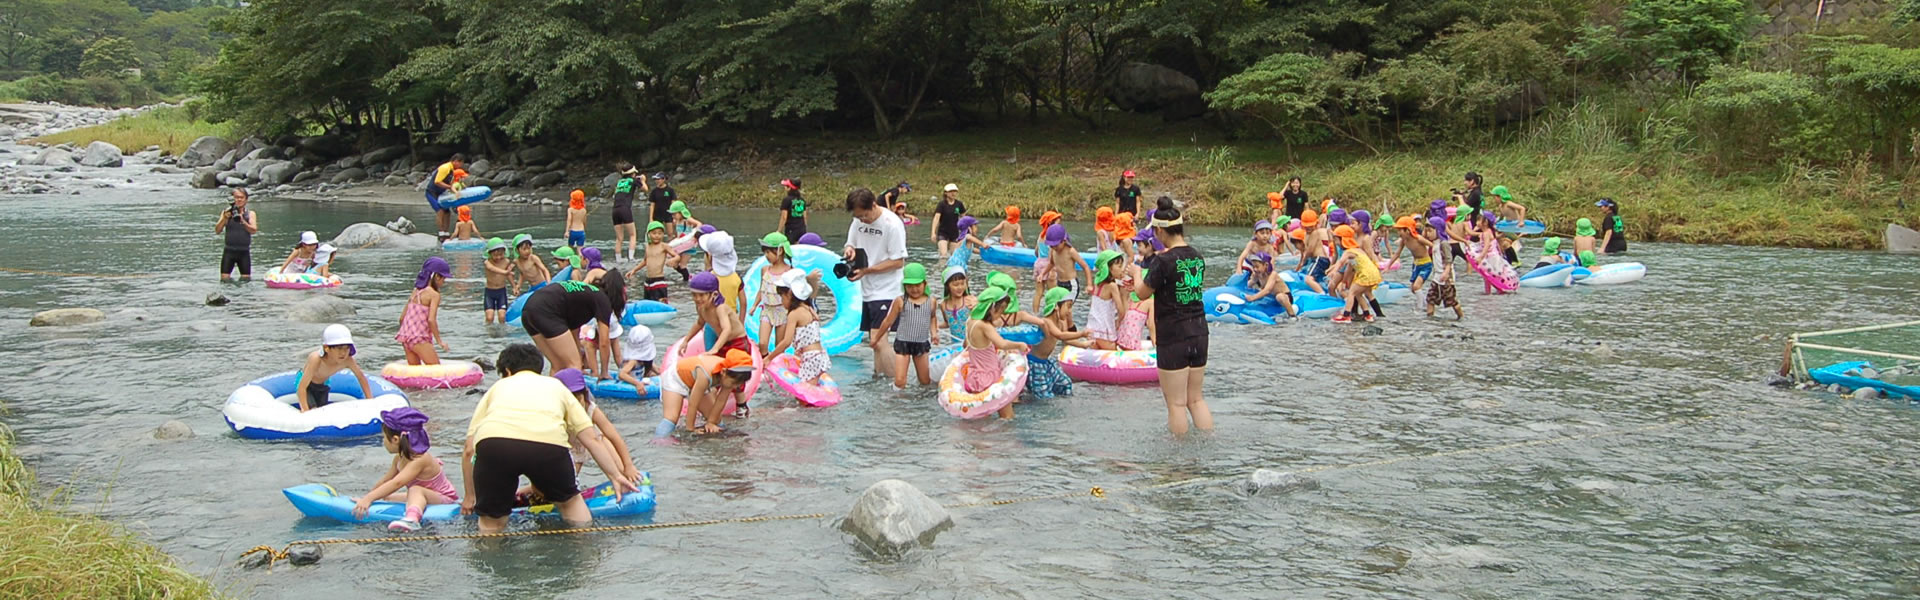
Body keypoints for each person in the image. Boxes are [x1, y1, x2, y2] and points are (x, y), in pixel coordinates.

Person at [461, 344, 639, 533]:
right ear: (539, 368)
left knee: (491, 523)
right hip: (547, 447)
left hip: (495, 446)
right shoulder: (556, 386)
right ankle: (585, 553)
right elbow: (592, 439)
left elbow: (469, 449)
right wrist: (615, 476)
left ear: (507, 371)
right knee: (570, 504)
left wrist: (470, 497)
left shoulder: (496, 388)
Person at [1135, 196, 1211, 436]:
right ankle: (1208, 445)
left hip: (1173, 335)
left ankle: (1178, 466)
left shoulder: (1162, 261)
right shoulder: (1197, 256)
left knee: (1176, 403)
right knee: (1195, 400)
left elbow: (1142, 293)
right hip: (1199, 331)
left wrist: (1136, 272)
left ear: (1159, 231)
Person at [350, 407, 459, 532]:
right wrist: (366, 498)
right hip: (423, 496)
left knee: (415, 489)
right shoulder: (399, 459)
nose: (383, 442)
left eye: (384, 438)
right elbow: (386, 481)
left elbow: (397, 483)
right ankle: (413, 509)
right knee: (387, 497)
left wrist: (369, 499)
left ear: (395, 440)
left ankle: (412, 520)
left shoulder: (420, 460)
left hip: (444, 499)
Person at [843, 187, 909, 380]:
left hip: (888, 290)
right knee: (875, 344)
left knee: (878, 340)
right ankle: (879, 379)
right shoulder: (857, 220)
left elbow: (898, 261)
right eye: (858, 217)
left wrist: (868, 270)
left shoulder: (892, 224)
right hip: (868, 289)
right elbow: (850, 243)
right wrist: (849, 250)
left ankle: (897, 384)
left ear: (873, 205)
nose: (862, 220)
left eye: (865, 216)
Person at [547, 369, 641, 492]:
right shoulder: (554, 413)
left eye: (578, 398)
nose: (574, 404)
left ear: (584, 394)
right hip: (571, 448)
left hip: (595, 439)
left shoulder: (590, 408)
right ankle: (529, 491)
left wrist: (629, 466)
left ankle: (626, 480)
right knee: (562, 484)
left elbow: (614, 436)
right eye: (570, 399)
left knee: (621, 470)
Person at [521, 271, 625, 376]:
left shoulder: (585, 294)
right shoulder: (602, 300)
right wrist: (604, 373)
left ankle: (552, 390)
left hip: (528, 310)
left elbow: (574, 334)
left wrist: (581, 359)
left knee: (558, 365)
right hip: (546, 311)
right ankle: (573, 391)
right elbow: (604, 342)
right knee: (574, 365)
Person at [962, 286, 1031, 419]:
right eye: (1001, 311)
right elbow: (1002, 343)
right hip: (990, 376)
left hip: (976, 375)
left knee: (982, 416)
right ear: (992, 308)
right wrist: (1019, 345)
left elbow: (966, 345)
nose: (1001, 314)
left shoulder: (971, 321)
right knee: (1007, 417)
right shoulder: (985, 326)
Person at [656, 348, 754, 436]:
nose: (735, 386)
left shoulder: (731, 376)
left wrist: (711, 422)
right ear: (723, 372)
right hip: (676, 379)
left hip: (697, 382)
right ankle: (660, 442)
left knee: (718, 422)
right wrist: (690, 429)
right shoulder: (705, 374)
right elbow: (693, 404)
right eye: (734, 383)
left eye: (739, 384)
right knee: (671, 418)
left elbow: (720, 401)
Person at [767, 269, 832, 390]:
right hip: (818, 355)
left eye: (782, 296)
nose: (781, 301)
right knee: (807, 393)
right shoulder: (809, 308)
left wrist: (769, 358)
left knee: (805, 394)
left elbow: (786, 342)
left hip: (811, 359)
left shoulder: (794, 314)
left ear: (790, 293)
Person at [1024, 287, 1090, 399]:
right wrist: (1081, 334)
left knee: (1065, 384)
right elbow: (1060, 335)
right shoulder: (1046, 322)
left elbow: (1066, 339)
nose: (1070, 311)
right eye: (1068, 306)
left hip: (1047, 362)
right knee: (1043, 396)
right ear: (1056, 306)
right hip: (1035, 364)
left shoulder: (1060, 323)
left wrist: (1082, 345)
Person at [879, 263, 938, 387]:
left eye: (917, 285)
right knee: (900, 381)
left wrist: (934, 333)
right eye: (909, 286)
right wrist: (876, 338)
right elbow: (888, 321)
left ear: (925, 284)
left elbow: (932, 317)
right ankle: (898, 402)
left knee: (925, 381)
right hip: (903, 343)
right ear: (904, 286)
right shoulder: (900, 301)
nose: (914, 289)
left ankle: (920, 403)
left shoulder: (931, 301)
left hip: (921, 343)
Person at [679, 272, 750, 361]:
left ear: (714, 294)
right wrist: (686, 341)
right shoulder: (701, 308)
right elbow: (699, 324)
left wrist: (715, 348)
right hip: (724, 343)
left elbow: (727, 329)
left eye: (701, 295)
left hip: (738, 342)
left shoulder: (720, 308)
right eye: (694, 295)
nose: (697, 299)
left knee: (736, 369)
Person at [395, 257, 451, 364]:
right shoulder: (434, 295)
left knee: (416, 373)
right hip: (420, 339)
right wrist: (439, 341)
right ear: (437, 276)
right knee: (436, 371)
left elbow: (402, 318)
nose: (443, 282)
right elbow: (431, 320)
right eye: (443, 278)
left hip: (406, 338)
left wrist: (408, 333)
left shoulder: (415, 292)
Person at [1328, 225, 1381, 323]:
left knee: (1351, 293)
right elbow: (1349, 266)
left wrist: (1334, 271)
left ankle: (1346, 316)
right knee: (1359, 294)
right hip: (1374, 273)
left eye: (1336, 240)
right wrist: (1339, 275)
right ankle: (1367, 315)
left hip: (1366, 275)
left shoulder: (1348, 252)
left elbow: (1341, 262)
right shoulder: (1357, 250)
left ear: (1343, 240)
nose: (1335, 243)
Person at [754, 233, 796, 351]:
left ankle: (776, 366)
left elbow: (794, 295)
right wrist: (754, 306)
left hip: (782, 311)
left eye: (768, 252)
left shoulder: (790, 272)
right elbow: (762, 289)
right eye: (765, 252)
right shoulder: (765, 270)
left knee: (779, 345)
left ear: (780, 251)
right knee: (762, 343)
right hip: (767, 310)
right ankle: (764, 362)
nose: (766, 256)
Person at [1037, 224, 1092, 312]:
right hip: (1060, 283)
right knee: (1058, 309)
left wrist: (1089, 285)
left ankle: (1066, 325)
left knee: (1065, 310)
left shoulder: (1070, 251)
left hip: (1071, 284)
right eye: (1051, 246)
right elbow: (1051, 263)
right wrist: (1042, 273)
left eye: (1055, 245)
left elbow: (1085, 267)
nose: (1054, 248)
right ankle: (1062, 325)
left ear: (1063, 241)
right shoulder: (1053, 251)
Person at [1086, 250, 1130, 349]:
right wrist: (1118, 323)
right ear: (1109, 268)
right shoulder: (1112, 286)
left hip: (1091, 328)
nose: (1121, 270)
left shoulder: (1097, 284)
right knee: (1115, 358)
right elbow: (1121, 311)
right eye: (1119, 267)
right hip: (1104, 331)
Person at [1392, 216, 1436, 307]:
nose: (1398, 233)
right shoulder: (1404, 241)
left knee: (1416, 287)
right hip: (1416, 264)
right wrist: (1388, 266)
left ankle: (1419, 309)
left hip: (1426, 264)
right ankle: (1424, 303)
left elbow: (1433, 246)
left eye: (1400, 230)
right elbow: (1397, 254)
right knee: (1413, 288)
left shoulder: (1418, 238)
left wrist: (1439, 260)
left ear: (1407, 230)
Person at [215, 188, 258, 281]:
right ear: (233, 198)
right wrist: (224, 219)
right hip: (229, 251)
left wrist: (243, 222)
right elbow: (217, 230)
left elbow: (254, 230)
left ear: (246, 199)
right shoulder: (226, 212)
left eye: (241, 197)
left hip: (244, 252)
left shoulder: (250, 214)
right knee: (224, 280)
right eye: (236, 197)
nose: (239, 200)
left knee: (246, 281)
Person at [626, 222, 677, 300]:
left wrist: (673, 259)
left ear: (663, 234)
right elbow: (645, 261)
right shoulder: (648, 247)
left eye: (660, 233)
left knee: (660, 304)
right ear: (649, 234)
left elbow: (677, 256)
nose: (657, 236)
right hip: (648, 281)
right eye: (654, 233)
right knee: (648, 303)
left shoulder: (664, 246)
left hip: (659, 280)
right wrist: (634, 270)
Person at [697, 226, 743, 314]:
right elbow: (743, 303)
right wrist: (740, 322)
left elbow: (701, 304)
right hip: (731, 316)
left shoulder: (707, 279)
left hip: (712, 319)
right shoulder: (736, 278)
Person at [1425, 216, 1463, 320]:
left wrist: (1446, 272)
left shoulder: (1444, 243)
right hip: (1437, 276)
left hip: (1446, 278)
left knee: (1451, 300)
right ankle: (1429, 317)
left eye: (1430, 231)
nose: (1428, 234)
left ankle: (1461, 316)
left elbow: (1448, 259)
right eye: (1427, 231)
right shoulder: (1434, 243)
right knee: (1430, 298)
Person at [1240, 254, 1297, 318]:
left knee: (1279, 296)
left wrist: (1252, 298)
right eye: (1253, 267)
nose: (1255, 269)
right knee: (1258, 291)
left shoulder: (1273, 274)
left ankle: (1292, 315)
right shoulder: (1257, 274)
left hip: (1284, 296)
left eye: (1257, 267)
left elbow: (1267, 290)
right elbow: (1249, 284)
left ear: (1266, 265)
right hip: (1270, 297)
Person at [426, 154, 465, 241]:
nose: (461, 165)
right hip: (432, 192)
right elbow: (437, 181)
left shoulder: (452, 170)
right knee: (440, 211)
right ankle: (441, 233)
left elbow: (452, 184)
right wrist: (449, 187)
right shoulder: (445, 168)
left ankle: (446, 232)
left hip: (441, 193)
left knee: (447, 212)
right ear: (455, 161)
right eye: (461, 163)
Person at [610, 164, 642, 261]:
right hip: (625, 209)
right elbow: (645, 189)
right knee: (632, 234)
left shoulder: (620, 182)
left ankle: (618, 258)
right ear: (632, 173)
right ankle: (631, 257)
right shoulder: (634, 180)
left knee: (619, 237)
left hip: (615, 210)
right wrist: (643, 180)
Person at [616, 320, 658, 389]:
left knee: (652, 374)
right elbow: (622, 374)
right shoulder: (633, 361)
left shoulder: (645, 359)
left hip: (638, 379)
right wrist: (637, 384)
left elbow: (658, 371)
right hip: (627, 385)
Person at [937, 266, 974, 343]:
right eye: (956, 285)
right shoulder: (943, 305)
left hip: (972, 343)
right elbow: (948, 323)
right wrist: (935, 326)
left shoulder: (969, 300)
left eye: (962, 283)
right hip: (955, 345)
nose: (960, 287)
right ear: (947, 286)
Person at [931, 183, 967, 259]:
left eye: (954, 191)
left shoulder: (959, 204)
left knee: (954, 256)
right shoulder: (942, 204)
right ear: (946, 193)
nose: (953, 193)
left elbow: (964, 218)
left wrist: (965, 231)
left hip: (954, 233)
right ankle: (941, 269)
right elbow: (936, 218)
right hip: (943, 232)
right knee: (944, 255)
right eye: (951, 191)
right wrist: (933, 233)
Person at [483, 238, 513, 324]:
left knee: (502, 316)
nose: (498, 257)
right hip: (489, 292)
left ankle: (502, 335)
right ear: (489, 254)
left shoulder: (506, 261)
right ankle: (489, 334)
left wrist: (514, 286)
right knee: (489, 317)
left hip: (501, 291)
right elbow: (492, 269)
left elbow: (509, 276)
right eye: (495, 255)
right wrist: (505, 272)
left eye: (501, 255)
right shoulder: (487, 262)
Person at [777, 178, 808, 242]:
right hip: (802, 229)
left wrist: (779, 231)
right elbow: (805, 216)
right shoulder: (802, 200)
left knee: (791, 248)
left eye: (786, 186)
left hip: (791, 229)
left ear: (789, 188)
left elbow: (784, 217)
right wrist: (804, 228)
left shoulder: (786, 200)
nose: (784, 188)